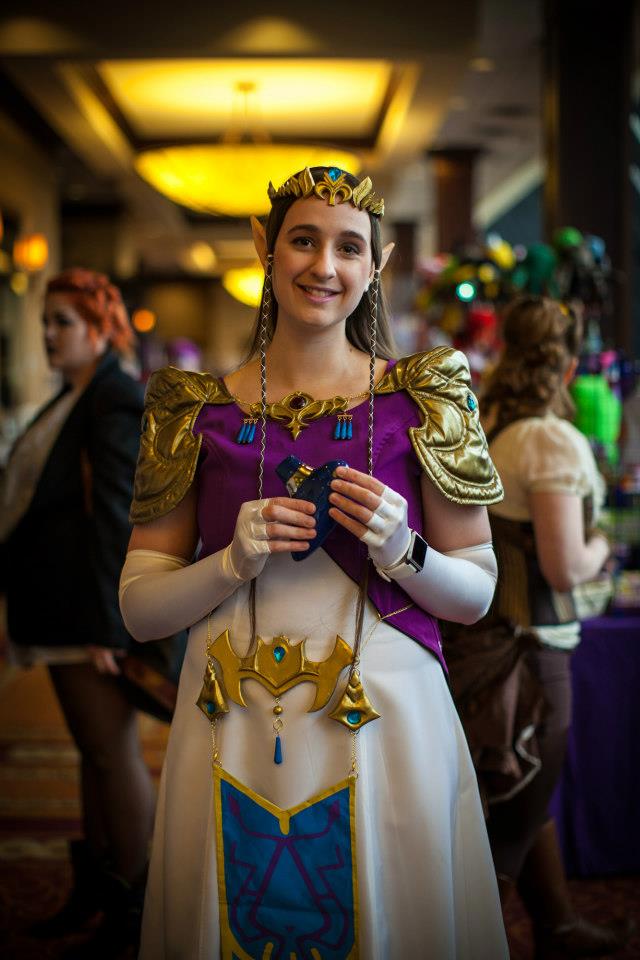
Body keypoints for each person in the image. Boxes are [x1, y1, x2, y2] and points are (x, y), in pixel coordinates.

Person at [119, 165, 509, 959]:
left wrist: (404, 550)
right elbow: (138, 608)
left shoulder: (426, 398)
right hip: (227, 717)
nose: (323, 266)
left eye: (348, 247)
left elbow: (475, 594)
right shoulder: (191, 410)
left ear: (378, 265)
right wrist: (229, 562)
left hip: (386, 721)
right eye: (303, 240)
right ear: (264, 248)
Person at [443, 295, 633, 958]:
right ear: (569, 364)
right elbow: (563, 566)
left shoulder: (489, 420)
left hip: (482, 641)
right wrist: (605, 545)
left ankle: (557, 926)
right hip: (529, 653)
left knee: (522, 796)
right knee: (509, 828)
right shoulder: (550, 439)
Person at [0, 268, 175, 959]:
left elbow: (117, 516)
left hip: (88, 613)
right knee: (93, 753)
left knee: (111, 751)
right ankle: (99, 889)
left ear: (101, 329)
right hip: (64, 607)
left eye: (63, 322)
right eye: (45, 321)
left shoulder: (113, 397)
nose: (49, 334)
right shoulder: (75, 394)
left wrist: (111, 624)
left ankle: (135, 910)